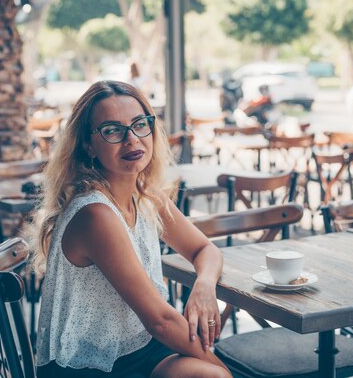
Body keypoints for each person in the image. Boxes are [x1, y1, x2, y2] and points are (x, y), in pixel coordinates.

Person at [32, 80, 232, 378]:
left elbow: (205, 249)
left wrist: (203, 286)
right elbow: (162, 321)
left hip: (139, 347)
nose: (131, 139)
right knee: (216, 375)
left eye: (140, 124)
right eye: (112, 130)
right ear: (88, 144)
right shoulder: (95, 214)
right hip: (88, 364)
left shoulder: (145, 195)